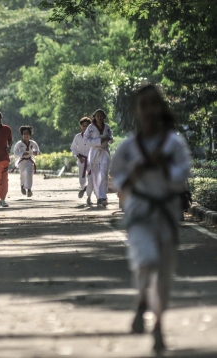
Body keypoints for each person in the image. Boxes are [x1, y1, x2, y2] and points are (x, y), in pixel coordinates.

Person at [110, 84, 190, 355]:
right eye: (143, 105)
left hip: (167, 213)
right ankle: (143, 299)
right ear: (136, 111)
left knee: (165, 275)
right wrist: (138, 170)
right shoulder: (129, 146)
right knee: (147, 260)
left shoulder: (174, 144)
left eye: (153, 104)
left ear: (161, 108)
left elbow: (181, 178)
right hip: (140, 214)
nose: (149, 110)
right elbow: (118, 178)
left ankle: (157, 323)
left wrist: (164, 166)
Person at [84, 109, 113, 207]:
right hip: (94, 152)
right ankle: (98, 197)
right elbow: (86, 139)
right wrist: (99, 141)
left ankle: (103, 196)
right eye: (97, 116)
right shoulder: (90, 127)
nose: (99, 117)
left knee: (104, 174)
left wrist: (109, 139)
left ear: (104, 117)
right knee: (96, 175)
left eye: (101, 116)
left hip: (104, 151)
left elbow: (111, 137)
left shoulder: (107, 127)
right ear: (95, 117)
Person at [70, 117, 94, 205]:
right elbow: (73, 148)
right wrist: (79, 156)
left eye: (87, 126)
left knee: (91, 178)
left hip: (91, 160)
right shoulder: (78, 137)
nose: (85, 127)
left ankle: (89, 197)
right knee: (82, 180)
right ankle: (84, 188)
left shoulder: (93, 137)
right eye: (83, 126)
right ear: (81, 127)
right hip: (82, 160)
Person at [13, 125, 40, 197]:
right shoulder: (19, 144)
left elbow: (36, 148)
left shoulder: (32, 143)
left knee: (29, 174)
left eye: (27, 134)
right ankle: (22, 185)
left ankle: (29, 189)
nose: (26, 135)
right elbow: (15, 152)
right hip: (22, 161)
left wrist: (36, 152)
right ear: (22, 135)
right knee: (23, 175)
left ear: (30, 135)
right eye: (24, 134)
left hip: (30, 161)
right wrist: (22, 154)